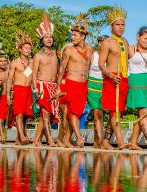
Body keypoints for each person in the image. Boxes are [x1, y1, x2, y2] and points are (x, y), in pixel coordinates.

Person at [57, 14, 93, 148]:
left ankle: (66, 140)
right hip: (71, 83)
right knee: (72, 112)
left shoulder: (90, 49)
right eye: (72, 35)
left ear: (83, 36)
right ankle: (79, 138)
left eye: (75, 35)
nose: (72, 37)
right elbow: (61, 69)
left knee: (77, 112)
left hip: (83, 85)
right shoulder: (69, 50)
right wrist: (58, 87)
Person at [98, 7, 130, 150]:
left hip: (123, 78)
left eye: (122, 25)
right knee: (113, 110)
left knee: (119, 111)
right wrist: (110, 75)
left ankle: (105, 141)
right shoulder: (107, 42)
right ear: (112, 26)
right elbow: (101, 63)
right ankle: (120, 140)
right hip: (112, 78)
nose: (120, 27)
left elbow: (130, 57)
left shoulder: (126, 41)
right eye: (118, 24)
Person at [32, 12, 58, 147]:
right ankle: (50, 140)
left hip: (53, 87)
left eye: (50, 37)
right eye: (46, 37)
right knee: (46, 114)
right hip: (42, 87)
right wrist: (36, 89)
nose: (49, 39)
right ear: (41, 40)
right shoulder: (37, 55)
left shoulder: (55, 54)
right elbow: (33, 74)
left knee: (47, 116)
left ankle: (36, 140)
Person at [86, 35, 115, 150]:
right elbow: (85, 69)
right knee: (98, 113)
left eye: (104, 42)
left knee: (111, 113)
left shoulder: (112, 56)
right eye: (99, 42)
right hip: (92, 85)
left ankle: (97, 141)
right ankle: (101, 140)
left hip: (106, 85)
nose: (101, 44)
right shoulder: (93, 55)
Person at [6, 32, 34, 145]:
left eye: (29, 48)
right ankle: (22, 136)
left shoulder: (32, 62)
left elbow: (33, 76)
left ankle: (19, 138)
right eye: (26, 48)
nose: (28, 50)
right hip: (18, 89)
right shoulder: (15, 62)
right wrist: (8, 94)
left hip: (28, 90)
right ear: (20, 49)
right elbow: (9, 79)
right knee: (19, 113)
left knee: (26, 115)